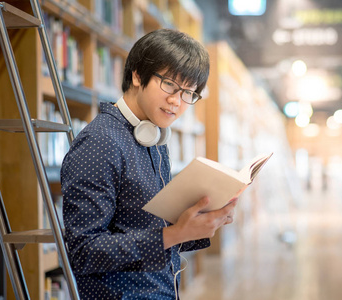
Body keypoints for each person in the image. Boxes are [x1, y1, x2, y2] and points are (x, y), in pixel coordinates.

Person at [61, 28, 237, 300]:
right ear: (137, 75)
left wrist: (204, 221)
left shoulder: (152, 138)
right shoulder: (100, 143)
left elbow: (147, 227)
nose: (176, 102)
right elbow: (84, 252)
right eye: (169, 84)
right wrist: (175, 233)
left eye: (188, 93)